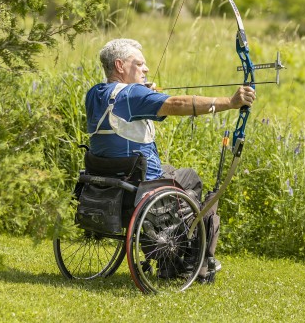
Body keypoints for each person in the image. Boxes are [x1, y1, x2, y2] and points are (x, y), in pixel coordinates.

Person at [85, 38, 255, 280]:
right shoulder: (132, 95)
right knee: (191, 179)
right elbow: (177, 104)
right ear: (120, 66)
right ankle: (193, 262)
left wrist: (146, 95)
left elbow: (125, 106)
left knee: (172, 170)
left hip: (111, 178)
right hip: (141, 183)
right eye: (139, 64)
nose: (145, 69)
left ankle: (168, 256)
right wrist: (230, 102)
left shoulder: (95, 94)